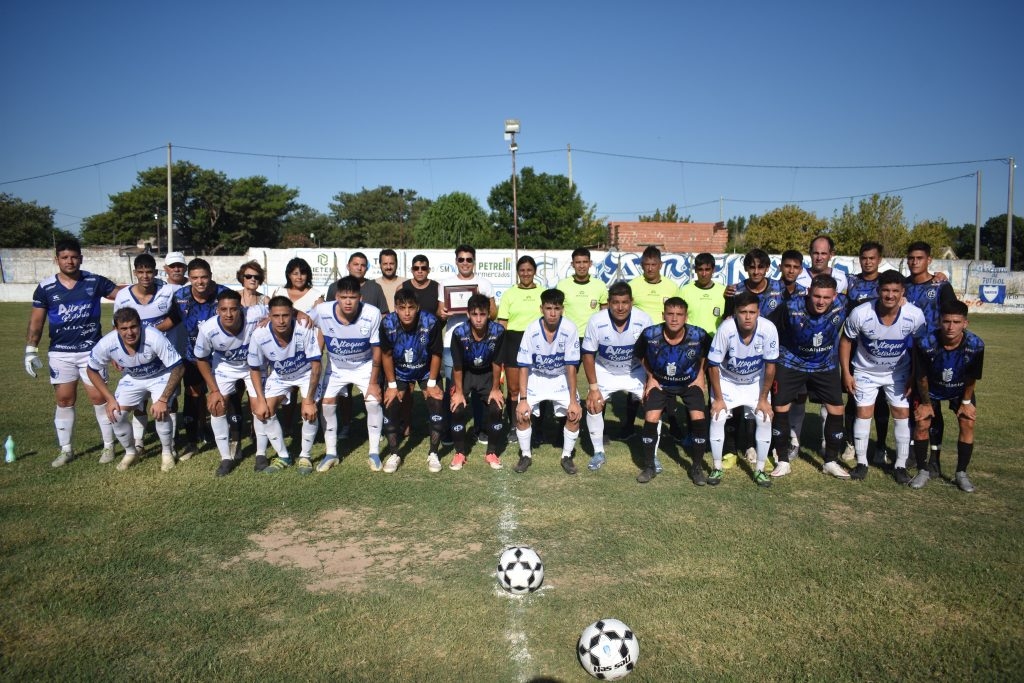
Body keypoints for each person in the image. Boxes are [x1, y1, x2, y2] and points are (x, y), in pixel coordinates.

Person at [26, 237, 123, 468]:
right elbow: (37, 322)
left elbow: (122, 294)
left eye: (74, 257)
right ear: (57, 259)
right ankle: (66, 450)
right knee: (64, 400)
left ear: (81, 258)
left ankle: (108, 446)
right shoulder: (46, 288)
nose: (69, 261)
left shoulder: (94, 281)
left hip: (92, 352)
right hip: (61, 353)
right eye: (65, 257)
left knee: (99, 398)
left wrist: (148, 286)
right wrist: (30, 350)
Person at [839, 270, 925, 484]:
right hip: (865, 371)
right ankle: (862, 463)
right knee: (863, 412)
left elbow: (919, 348)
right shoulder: (861, 313)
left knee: (901, 413)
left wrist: (913, 375)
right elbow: (846, 341)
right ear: (878, 291)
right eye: (886, 290)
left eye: (895, 291)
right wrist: (847, 373)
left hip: (898, 372)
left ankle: (900, 466)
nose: (890, 295)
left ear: (903, 292)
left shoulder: (914, 315)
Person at [767, 275, 848, 479]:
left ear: (835, 296)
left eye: (826, 298)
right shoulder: (790, 307)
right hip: (791, 362)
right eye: (817, 296)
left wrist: (902, 301)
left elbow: (874, 305)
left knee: (837, 409)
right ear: (809, 292)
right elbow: (767, 327)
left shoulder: (844, 303)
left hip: (825, 364)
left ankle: (830, 461)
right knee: (780, 407)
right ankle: (783, 460)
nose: (821, 301)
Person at [85, 307, 183, 472]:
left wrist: (163, 399)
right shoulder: (107, 343)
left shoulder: (154, 336)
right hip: (133, 378)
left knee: (161, 410)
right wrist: (109, 399)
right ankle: (131, 452)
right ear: (116, 329)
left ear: (140, 325)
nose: (129, 332)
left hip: (160, 376)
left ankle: (167, 452)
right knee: (115, 413)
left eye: (133, 327)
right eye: (124, 328)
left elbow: (178, 367)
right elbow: (91, 370)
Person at [310, 275, 384, 473]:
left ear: (360, 298)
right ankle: (331, 453)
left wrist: (373, 382)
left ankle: (374, 452)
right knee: (327, 404)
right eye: (344, 297)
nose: (348, 302)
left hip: (364, 366)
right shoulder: (322, 310)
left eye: (352, 297)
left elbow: (377, 350)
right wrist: (294, 314)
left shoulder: (372, 313)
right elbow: (299, 318)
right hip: (336, 368)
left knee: (373, 402)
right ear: (337, 297)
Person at [633, 297, 710, 484]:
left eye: (679, 314)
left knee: (699, 418)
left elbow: (709, 353)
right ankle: (649, 466)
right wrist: (650, 377)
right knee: (651, 418)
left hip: (689, 383)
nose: (674, 319)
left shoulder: (698, 335)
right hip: (660, 383)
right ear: (663, 315)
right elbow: (639, 354)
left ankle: (696, 467)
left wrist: (700, 373)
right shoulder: (650, 334)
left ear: (686, 317)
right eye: (670, 314)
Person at [706, 291, 778, 487]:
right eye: (743, 312)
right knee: (717, 417)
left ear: (758, 312)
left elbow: (771, 366)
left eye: (752, 312)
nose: (747, 317)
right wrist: (718, 399)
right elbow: (713, 365)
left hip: (755, 382)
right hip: (728, 381)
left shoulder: (769, 329)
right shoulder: (726, 329)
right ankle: (716, 467)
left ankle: (760, 470)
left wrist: (763, 399)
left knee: (764, 418)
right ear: (735, 313)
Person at [193, 289, 268, 476]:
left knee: (259, 407)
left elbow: (282, 309)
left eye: (233, 309)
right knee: (217, 406)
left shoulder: (255, 313)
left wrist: (294, 315)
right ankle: (226, 458)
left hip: (253, 366)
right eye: (224, 309)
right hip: (225, 368)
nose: (228, 314)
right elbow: (201, 359)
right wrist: (214, 390)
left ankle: (261, 454)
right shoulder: (208, 329)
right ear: (217, 310)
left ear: (241, 308)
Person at [911, 300, 984, 492]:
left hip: (960, 389)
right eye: (946, 321)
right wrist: (926, 403)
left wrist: (966, 402)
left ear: (965, 323)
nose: (951, 327)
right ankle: (922, 470)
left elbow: (972, 377)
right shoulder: (925, 343)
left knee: (968, 422)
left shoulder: (975, 345)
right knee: (922, 423)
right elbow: (921, 377)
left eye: (956, 322)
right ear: (939, 322)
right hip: (930, 388)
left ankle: (961, 473)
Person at [113, 253, 181, 454]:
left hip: (164, 356)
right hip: (135, 356)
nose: (145, 276)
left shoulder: (168, 291)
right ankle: (139, 442)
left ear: (155, 272)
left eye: (149, 272)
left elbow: (176, 317)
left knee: (170, 399)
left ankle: (171, 441)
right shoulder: (124, 296)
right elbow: (117, 325)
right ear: (135, 273)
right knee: (139, 400)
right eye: (141, 272)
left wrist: (150, 334)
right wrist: (117, 353)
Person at [581, 282, 652, 471]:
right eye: (615, 302)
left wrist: (652, 380)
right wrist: (593, 387)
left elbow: (652, 352)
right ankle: (598, 452)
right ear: (608, 303)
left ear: (632, 302)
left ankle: (651, 455)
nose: (620, 307)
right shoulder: (596, 320)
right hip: (605, 370)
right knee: (593, 404)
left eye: (625, 302)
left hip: (635, 371)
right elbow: (588, 354)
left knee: (654, 404)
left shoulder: (644, 319)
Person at [246, 297, 322, 474]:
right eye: (276, 316)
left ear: (292, 314)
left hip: (306, 374)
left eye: (285, 315)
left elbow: (316, 366)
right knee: (264, 411)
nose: (281, 321)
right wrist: (260, 400)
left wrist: (309, 400)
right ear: (269, 316)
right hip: (280, 376)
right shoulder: (259, 334)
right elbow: (254, 369)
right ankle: (283, 456)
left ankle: (305, 456)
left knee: (309, 412)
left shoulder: (304, 328)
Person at [511, 288, 582, 475]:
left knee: (574, 414)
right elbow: (524, 366)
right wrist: (523, 399)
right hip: (537, 377)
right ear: (541, 308)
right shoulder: (532, 330)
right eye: (548, 308)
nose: (552, 313)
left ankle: (567, 456)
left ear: (562, 309)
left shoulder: (570, 329)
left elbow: (571, 366)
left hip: (560, 378)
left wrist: (573, 400)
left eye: (557, 308)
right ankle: (525, 455)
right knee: (522, 413)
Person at [379, 288, 445, 473]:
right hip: (400, 372)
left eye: (411, 307)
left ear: (418, 307)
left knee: (437, 403)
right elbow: (386, 355)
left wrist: (431, 384)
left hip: (425, 370)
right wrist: (392, 385)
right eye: (402, 308)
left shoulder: (430, 322)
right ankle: (394, 453)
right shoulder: (388, 323)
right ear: (395, 308)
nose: (407, 312)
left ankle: (434, 453)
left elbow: (436, 353)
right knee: (390, 404)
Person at [438, 245, 497, 443]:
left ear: (474, 261)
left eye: (469, 259)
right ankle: (450, 428)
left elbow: (493, 313)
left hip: (480, 344)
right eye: (461, 259)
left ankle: (480, 428)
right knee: (452, 388)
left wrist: (481, 304)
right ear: (456, 261)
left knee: (480, 389)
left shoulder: (484, 284)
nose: (465, 263)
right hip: (452, 343)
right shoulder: (446, 283)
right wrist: (443, 313)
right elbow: (440, 312)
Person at [172, 258, 228, 459]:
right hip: (193, 355)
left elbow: (241, 312)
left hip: (220, 357)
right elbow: (172, 320)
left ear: (210, 276)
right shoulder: (180, 296)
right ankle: (192, 441)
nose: (200, 281)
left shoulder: (223, 293)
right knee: (193, 393)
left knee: (222, 394)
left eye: (204, 277)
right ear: (189, 278)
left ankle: (227, 434)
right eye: (195, 277)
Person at [844, 241, 891, 466]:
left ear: (879, 259)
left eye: (872, 258)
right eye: (864, 258)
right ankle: (850, 443)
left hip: (883, 351)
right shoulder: (851, 282)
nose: (868, 262)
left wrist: (939, 276)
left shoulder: (887, 282)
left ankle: (880, 445)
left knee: (881, 401)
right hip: (856, 350)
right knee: (853, 397)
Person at [625, 246, 680, 439]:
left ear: (660, 265)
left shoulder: (672, 287)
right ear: (641, 265)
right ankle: (628, 425)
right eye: (646, 264)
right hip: (641, 342)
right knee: (636, 380)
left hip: (666, 342)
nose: (650, 268)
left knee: (669, 381)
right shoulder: (633, 285)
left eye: (653, 264)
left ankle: (673, 424)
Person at [450, 293, 507, 470]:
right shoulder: (459, 333)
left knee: (496, 408)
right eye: (474, 314)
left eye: (483, 314)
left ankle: (491, 453)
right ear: (468, 314)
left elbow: (497, 362)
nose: (479, 319)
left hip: (488, 373)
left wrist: (495, 389)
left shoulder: (498, 331)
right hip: (465, 373)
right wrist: (459, 392)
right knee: (457, 408)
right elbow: (457, 365)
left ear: (489, 314)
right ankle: (460, 453)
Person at [497, 255, 543, 435]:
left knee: (537, 387)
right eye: (522, 270)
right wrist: (501, 349)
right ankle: (514, 425)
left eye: (529, 270)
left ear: (535, 271)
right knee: (514, 389)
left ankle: (537, 427)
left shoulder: (543, 292)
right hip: (513, 342)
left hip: (537, 343)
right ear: (517, 272)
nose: (525, 273)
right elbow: (502, 324)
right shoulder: (509, 294)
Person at [904, 241, 957, 334]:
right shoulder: (901, 285)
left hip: (932, 340)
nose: (915, 262)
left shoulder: (941, 286)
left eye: (919, 258)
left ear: (929, 260)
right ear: (907, 261)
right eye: (911, 258)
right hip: (905, 340)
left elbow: (953, 316)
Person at [557, 247, 608, 336]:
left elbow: (604, 313)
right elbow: (557, 311)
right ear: (572, 264)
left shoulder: (600, 285)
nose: (581, 266)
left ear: (590, 263)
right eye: (578, 262)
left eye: (585, 262)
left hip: (593, 336)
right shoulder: (562, 285)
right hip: (568, 335)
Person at [678, 252, 725, 335]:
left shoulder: (723, 291)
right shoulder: (685, 290)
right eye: (700, 269)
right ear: (695, 270)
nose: (704, 274)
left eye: (707, 270)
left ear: (713, 270)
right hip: (691, 339)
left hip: (715, 339)